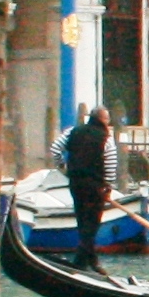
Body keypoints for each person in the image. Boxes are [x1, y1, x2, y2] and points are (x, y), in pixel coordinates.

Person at [57, 105, 112, 256]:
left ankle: (88, 259)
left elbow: (55, 149)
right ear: (102, 119)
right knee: (93, 223)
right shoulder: (106, 138)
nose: (108, 122)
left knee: (82, 220)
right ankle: (83, 259)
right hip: (96, 186)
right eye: (107, 119)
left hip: (76, 183)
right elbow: (110, 162)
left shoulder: (73, 131)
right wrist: (108, 186)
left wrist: (63, 167)